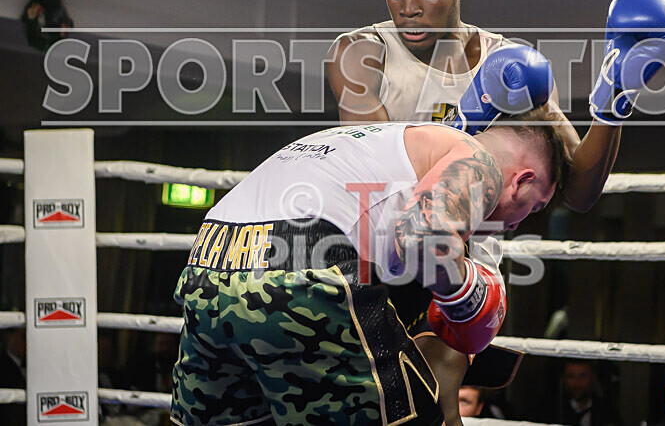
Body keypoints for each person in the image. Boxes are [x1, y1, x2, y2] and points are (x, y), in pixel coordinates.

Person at [327, 0, 665, 425]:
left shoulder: (507, 60)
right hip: (376, 248)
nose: (409, 7)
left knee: (437, 392)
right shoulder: (360, 53)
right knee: (370, 403)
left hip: (462, 255)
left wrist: (615, 103)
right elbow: (382, 173)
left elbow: (579, 189)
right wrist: (467, 122)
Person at [170, 111, 568, 425]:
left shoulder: (387, 143)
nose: (517, 224)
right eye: (533, 206)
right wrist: (469, 294)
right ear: (522, 179)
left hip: (208, 262)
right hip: (299, 270)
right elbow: (421, 236)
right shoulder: (479, 161)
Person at [553, 360, 621, 426]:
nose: (577, 383)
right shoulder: (555, 410)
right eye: (571, 376)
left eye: (582, 376)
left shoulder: (605, 409)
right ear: (564, 379)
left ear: (593, 377)